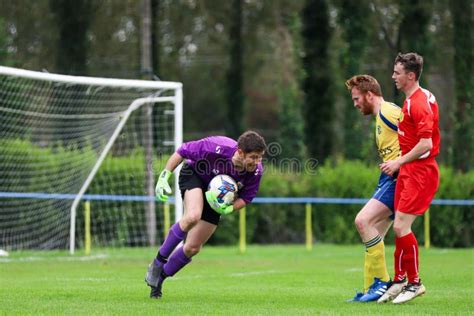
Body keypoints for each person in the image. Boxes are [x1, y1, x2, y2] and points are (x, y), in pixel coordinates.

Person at [145, 131, 266, 298]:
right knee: (193, 216)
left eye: (260, 157)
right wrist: (164, 176)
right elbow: (182, 150)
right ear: (240, 152)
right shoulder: (216, 147)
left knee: (193, 248)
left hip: (215, 197)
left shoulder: (256, 171)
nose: (257, 162)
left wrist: (229, 209)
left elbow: (246, 198)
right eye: (253, 157)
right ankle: (157, 263)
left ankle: (159, 279)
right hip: (194, 175)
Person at [379, 52, 440, 304]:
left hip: (421, 171)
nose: (393, 76)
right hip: (409, 170)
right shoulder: (412, 99)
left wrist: (398, 161)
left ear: (410, 75)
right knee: (398, 226)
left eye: (397, 72)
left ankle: (415, 283)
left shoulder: (417, 103)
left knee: (402, 226)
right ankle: (400, 279)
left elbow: (425, 144)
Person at [344, 75, 401, 302]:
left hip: (398, 179)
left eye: (357, 98)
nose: (355, 104)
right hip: (389, 178)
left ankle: (382, 284)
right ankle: (371, 288)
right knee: (375, 230)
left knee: (363, 221)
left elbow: (420, 134)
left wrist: (402, 163)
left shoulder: (389, 112)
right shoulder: (381, 116)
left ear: (369, 95)